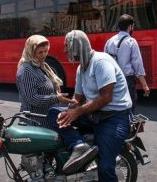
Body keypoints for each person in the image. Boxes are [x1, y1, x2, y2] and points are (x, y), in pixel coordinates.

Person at [47, 30, 132, 181]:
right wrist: (69, 112)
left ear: (78, 46)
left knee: (105, 168)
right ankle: (79, 146)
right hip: (93, 115)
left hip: (113, 118)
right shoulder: (82, 68)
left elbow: (106, 97)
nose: (65, 50)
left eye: (67, 46)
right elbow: (78, 98)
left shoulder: (101, 62)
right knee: (54, 113)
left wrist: (77, 112)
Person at [16, 35, 76, 129]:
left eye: (46, 51)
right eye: (40, 52)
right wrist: (56, 98)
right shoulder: (26, 70)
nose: (43, 55)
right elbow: (32, 98)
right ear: (31, 52)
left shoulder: (41, 66)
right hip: (34, 122)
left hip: (45, 119)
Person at [104, 14, 150, 115]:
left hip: (112, 79)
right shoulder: (131, 41)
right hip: (127, 80)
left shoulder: (109, 41)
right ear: (130, 27)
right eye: (133, 26)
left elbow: (105, 62)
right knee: (129, 106)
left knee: (115, 105)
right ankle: (128, 127)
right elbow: (137, 64)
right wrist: (144, 85)